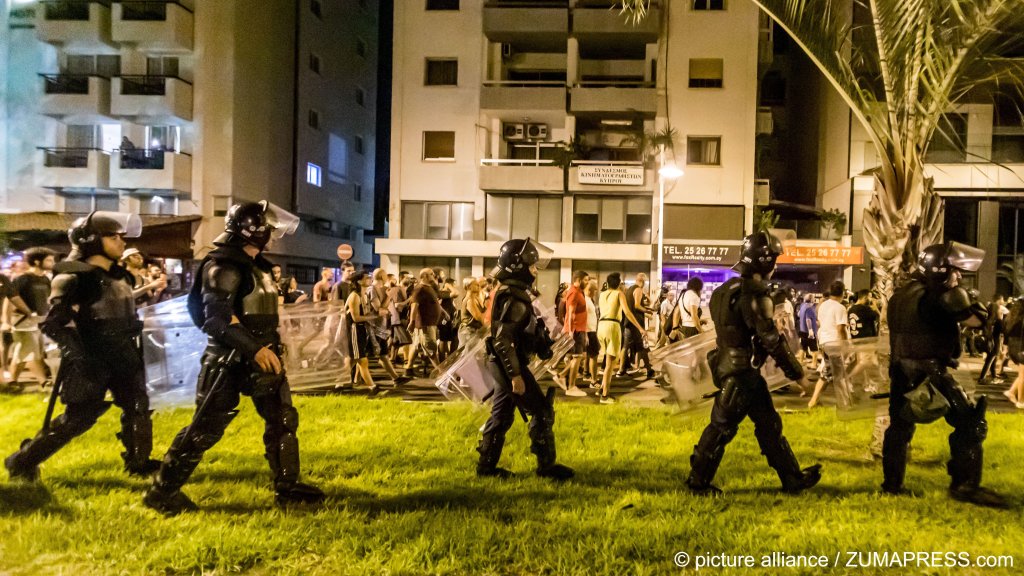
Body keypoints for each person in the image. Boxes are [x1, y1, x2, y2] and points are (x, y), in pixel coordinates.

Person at [143, 201, 324, 515]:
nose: (275, 235)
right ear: (253, 230)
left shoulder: (256, 265)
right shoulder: (223, 265)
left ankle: (287, 486)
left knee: (283, 421)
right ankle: (162, 491)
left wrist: (269, 348)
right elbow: (216, 318)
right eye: (269, 228)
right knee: (206, 428)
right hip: (228, 359)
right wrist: (255, 348)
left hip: (263, 357)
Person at [5, 212, 161, 481]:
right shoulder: (73, 277)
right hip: (91, 356)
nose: (121, 241)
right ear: (90, 240)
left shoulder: (119, 275)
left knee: (138, 406)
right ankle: (21, 461)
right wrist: (80, 357)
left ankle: (139, 463)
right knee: (79, 418)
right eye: (112, 237)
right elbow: (55, 324)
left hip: (124, 351)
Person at [686, 231, 820, 495]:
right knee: (721, 428)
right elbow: (771, 340)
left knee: (769, 425)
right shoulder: (755, 294)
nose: (777, 265)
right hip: (740, 373)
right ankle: (697, 483)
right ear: (764, 261)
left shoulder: (724, 291)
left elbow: (736, 331)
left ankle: (792, 478)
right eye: (774, 259)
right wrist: (797, 373)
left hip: (736, 368)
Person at [881, 242, 1006, 507]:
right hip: (931, 372)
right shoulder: (937, 296)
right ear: (940, 271)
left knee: (899, 428)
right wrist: (971, 300)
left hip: (901, 369)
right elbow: (977, 321)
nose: (959, 276)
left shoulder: (902, 294)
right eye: (955, 271)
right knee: (971, 424)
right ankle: (965, 486)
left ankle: (892, 485)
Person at [476, 238, 573, 480]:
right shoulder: (513, 297)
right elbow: (503, 340)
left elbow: (520, 331)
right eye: (531, 266)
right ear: (517, 266)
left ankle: (486, 468)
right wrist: (515, 375)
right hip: (508, 364)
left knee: (502, 413)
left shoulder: (514, 293)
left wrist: (542, 344)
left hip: (505, 362)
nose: (534, 270)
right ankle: (546, 467)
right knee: (541, 411)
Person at [5, 247, 56, 388]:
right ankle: (43, 382)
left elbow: (47, 299)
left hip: (38, 321)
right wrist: (6, 321)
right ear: (37, 261)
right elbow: (9, 299)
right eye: (49, 260)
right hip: (22, 321)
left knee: (22, 352)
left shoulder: (45, 279)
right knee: (31, 352)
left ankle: (12, 381)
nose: (52, 263)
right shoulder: (23, 279)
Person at [596, 273, 645, 404]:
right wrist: (640, 328)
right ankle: (605, 396)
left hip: (601, 326)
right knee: (610, 364)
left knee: (607, 358)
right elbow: (627, 312)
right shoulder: (619, 294)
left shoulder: (602, 294)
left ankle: (601, 389)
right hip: (612, 325)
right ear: (618, 283)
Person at [807, 280, 848, 408]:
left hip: (824, 342)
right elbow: (840, 328)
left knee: (828, 372)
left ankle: (814, 401)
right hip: (834, 344)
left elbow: (820, 323)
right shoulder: (840, 308)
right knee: (837, 374)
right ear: (842, 293)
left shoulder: (823, 306)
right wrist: (846, 344)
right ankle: (844, 404)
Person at [405, 268, 444, 376]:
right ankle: (441, 373)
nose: (434, 276)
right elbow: (414, 305)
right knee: (430, 347)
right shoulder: (420, 289)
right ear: (425, 276)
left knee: (417, 345)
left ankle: (408, 369)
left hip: (429, 323)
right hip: (425, 324)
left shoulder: (429, 288)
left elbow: (435, 302)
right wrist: (412, 322)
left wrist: (443, 312)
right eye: (432, 274)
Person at [619, 273, 655, 379]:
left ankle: (621, 370)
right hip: (636, 322)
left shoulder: (629, 290)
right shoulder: (638, 290)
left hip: (628, 322)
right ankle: (649, 370)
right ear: (642, 282)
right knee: (643, 346)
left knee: (625, 347)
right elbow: (637, 305)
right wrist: (648, 310)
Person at [560, 270, 590, 398]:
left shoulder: (578, 292)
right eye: (586, 280)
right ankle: (571, 386)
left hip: (580, 329)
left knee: (579, 357)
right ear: (578, 279)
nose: (587, 282)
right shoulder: (573, 292)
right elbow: (570, 312)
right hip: (576, 330)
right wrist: (571, 331)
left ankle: (561, 376)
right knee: (577, 357)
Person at [978, 294, 1007, 385]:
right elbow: (1002, 331)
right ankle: (982, 377)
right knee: (990, 359)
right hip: (995, 341)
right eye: (1000, 310)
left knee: (992, 359)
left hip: (990, 340)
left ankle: (994, 377)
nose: (1001, 311)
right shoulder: (998, 321)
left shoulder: (990, 321)